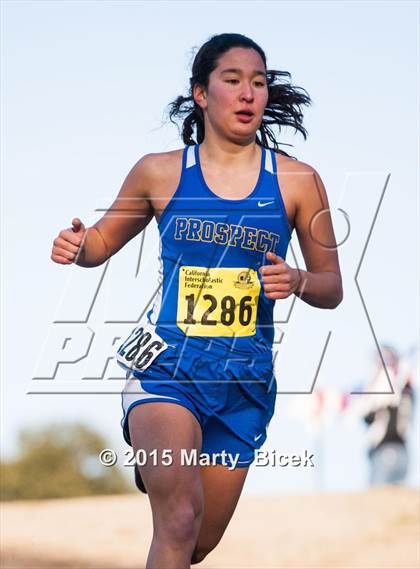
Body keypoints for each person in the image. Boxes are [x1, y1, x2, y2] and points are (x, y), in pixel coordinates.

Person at [51, 33, 343, 569]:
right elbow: (98, 242)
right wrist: (77, 246)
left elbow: (332, 287)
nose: (248, 93)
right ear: (202, 95)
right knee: (179, 519)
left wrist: (297, 279)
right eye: (232, 81)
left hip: (242, 381)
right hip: (166, 366)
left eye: (258, 82)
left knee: (196, 542)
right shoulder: (159, 172)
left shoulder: (298, 182)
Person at [359, 345, 415, 485]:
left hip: (386, 451)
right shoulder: (404, 390)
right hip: (402, 452)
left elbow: (367, 416)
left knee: (377, 501)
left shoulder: (391, 389)